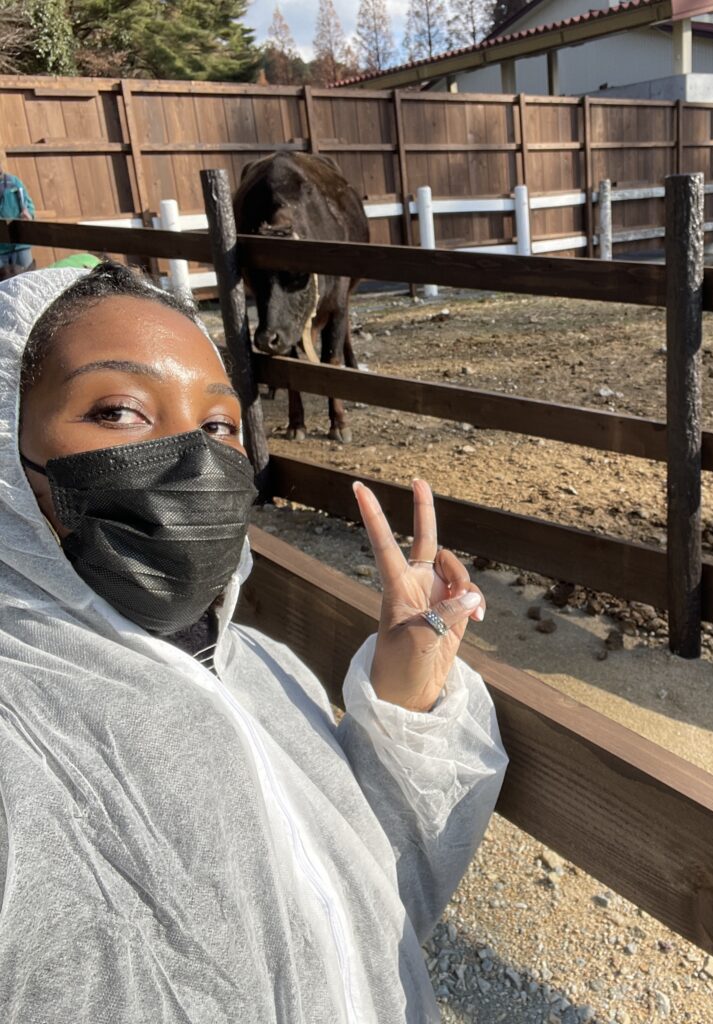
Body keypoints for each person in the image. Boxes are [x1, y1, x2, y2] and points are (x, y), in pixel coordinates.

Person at [0, 261, 507, 1022]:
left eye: (217, 425)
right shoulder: (18, 734)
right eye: (118, 410)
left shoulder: (263, 669)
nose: (196, 457)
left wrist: (410, 696)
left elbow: (376, 899)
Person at [0, 164, 35, 269]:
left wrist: (29, 214)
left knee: (28, 278)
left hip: (20, 245)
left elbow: (29, 205)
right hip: (1, 249)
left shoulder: (13, 182)